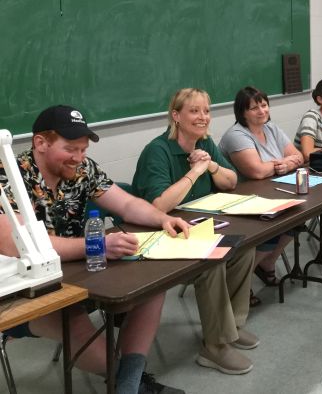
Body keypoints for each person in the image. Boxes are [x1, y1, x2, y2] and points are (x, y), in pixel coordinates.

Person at [0, 105, 189, 394]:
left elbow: (125, 204)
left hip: (80, 271)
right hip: (24, 292)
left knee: (153, 285)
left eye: (83, 149)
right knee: (78, 328)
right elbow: (15, 243)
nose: (78, 157)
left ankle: (127, 385)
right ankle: (130, 381)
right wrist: (96, 246)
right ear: (40, 143)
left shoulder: (81, 169)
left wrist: (162, 218)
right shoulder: (7, 176)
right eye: (71, 148)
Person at [131, 89, 257, 376]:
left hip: (195, 226)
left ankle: (232, 329)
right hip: (157, 231)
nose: (203, 117)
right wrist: (195, 172)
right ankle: (214, 347)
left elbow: (231, 180)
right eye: (194, 111)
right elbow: (160, 205)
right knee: (211, 261)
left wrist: (210, 164)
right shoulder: (158, 150)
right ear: (176, 116)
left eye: (206, 111)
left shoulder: (206, 143)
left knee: (243, 248)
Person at [219, 86, 303, 284]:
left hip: (273, 192)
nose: (262, 111)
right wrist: (281, 163)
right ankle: (240, 281)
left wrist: (286, 163)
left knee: (298, 219)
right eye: (254, 108)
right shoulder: (236, 135)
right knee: (273, 229)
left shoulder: (271, 128)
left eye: (264, 105)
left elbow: (298, 155)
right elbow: (255, 172)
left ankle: (267, 263)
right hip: (242, 200)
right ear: (242, 113)